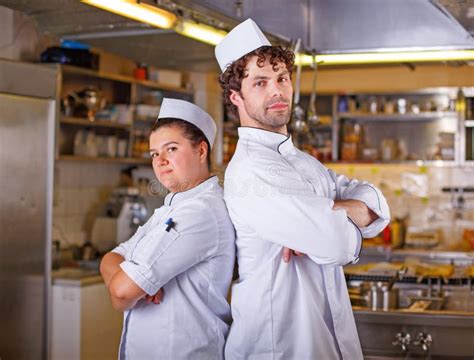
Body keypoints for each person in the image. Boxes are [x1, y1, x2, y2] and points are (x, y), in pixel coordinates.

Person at [215, 19, 390, 359]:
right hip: (279, 344)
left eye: (282, 78)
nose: (277, 91)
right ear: (236, 97)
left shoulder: (305, 163)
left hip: (322, 339)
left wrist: (336, 212)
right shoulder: (252, 170)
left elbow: (375, 203)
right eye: (260, 82)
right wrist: (336, 218)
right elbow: (338, 243)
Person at [100, 98, 235, 359]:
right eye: (154, 153)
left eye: (171, 149)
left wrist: (132, 286)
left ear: (201, 151)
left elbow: (120, 293)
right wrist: (137, 283)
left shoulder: (199, 212)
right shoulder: (171, 208)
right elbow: (111, 258)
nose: (160, 161)